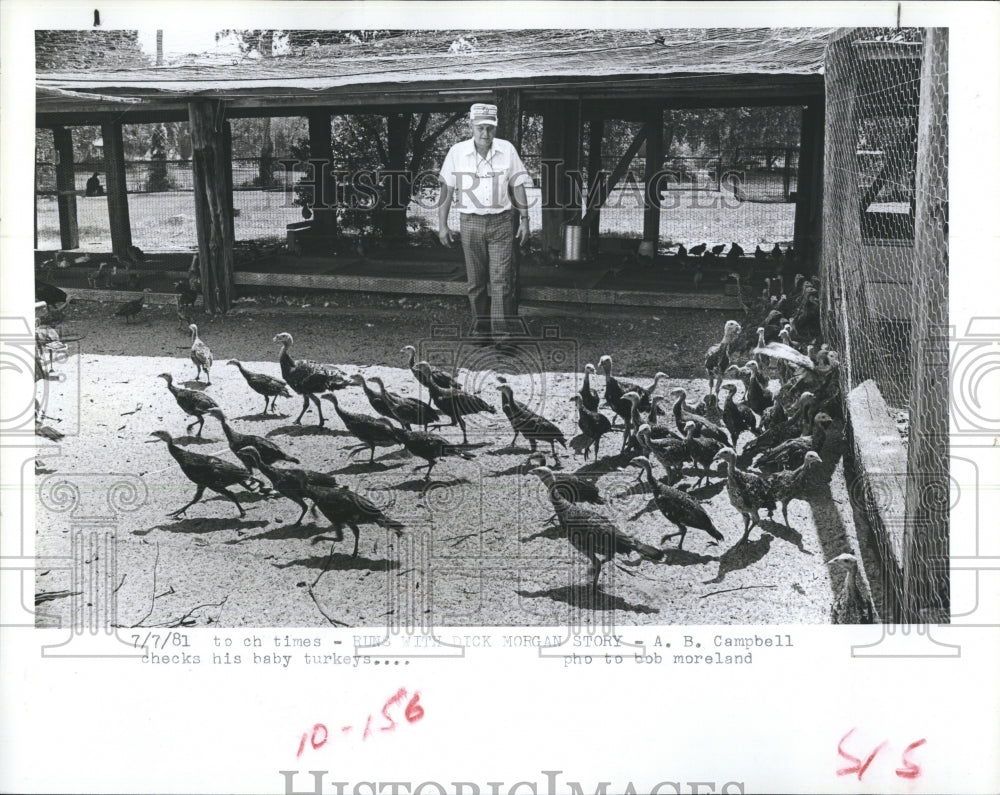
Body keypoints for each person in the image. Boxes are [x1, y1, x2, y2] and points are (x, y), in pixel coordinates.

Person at [438, 102, 532, 346]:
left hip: (502, 222)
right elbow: (447, 189)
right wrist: (442, 225)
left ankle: (502, 337)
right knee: (476, 282)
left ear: (495, 128)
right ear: (471, 125)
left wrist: (525, 219)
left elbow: (518, 185)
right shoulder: (457, 152)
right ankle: (480, 331)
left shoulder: (507, 150)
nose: (485, 133)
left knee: (501, 281)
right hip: (470, 222)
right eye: (480, 127)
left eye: (490, 128)